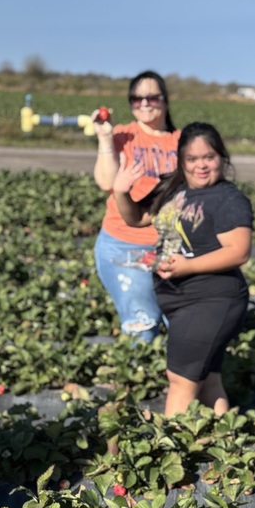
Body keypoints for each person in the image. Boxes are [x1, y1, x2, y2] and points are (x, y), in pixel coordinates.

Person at [111, 122, 253, 417]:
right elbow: (137, 218)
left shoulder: (228, 199)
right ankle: (224, 442)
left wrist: (187, 266)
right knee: (209, 379)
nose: (201, 165)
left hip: (212, 299)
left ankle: (170, 448)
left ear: (222, 158)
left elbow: (239, 251)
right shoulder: (173, 187)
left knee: (180, 380)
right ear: (181, 160)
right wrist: (121, 192)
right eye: (192, 159)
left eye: (209, 157)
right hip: (180, 299)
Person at [92, 70, 181, 341]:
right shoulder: (122, 136)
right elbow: (107, 182)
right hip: (124, 245)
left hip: (171, 247)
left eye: (151, 97)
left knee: (181, 326)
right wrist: (105, 139)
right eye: (136, 98)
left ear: (165, 100)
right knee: (143, 325)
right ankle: (139, 380)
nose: (144, 103)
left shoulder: (182, 141)